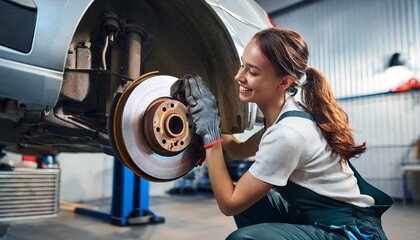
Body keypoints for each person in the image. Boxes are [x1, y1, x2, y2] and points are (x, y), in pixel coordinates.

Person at [182, 27, 392, 240]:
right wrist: (210, 120)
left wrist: (211, 135)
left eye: (252, 72)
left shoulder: (288, 134)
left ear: (284, 82)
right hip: (313, 218)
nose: (239, 76)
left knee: (243, 237)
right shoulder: (281, 117)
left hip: (348, 232)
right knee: (249, 202)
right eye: (242, 65)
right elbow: (236, 151)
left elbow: (228, 204)